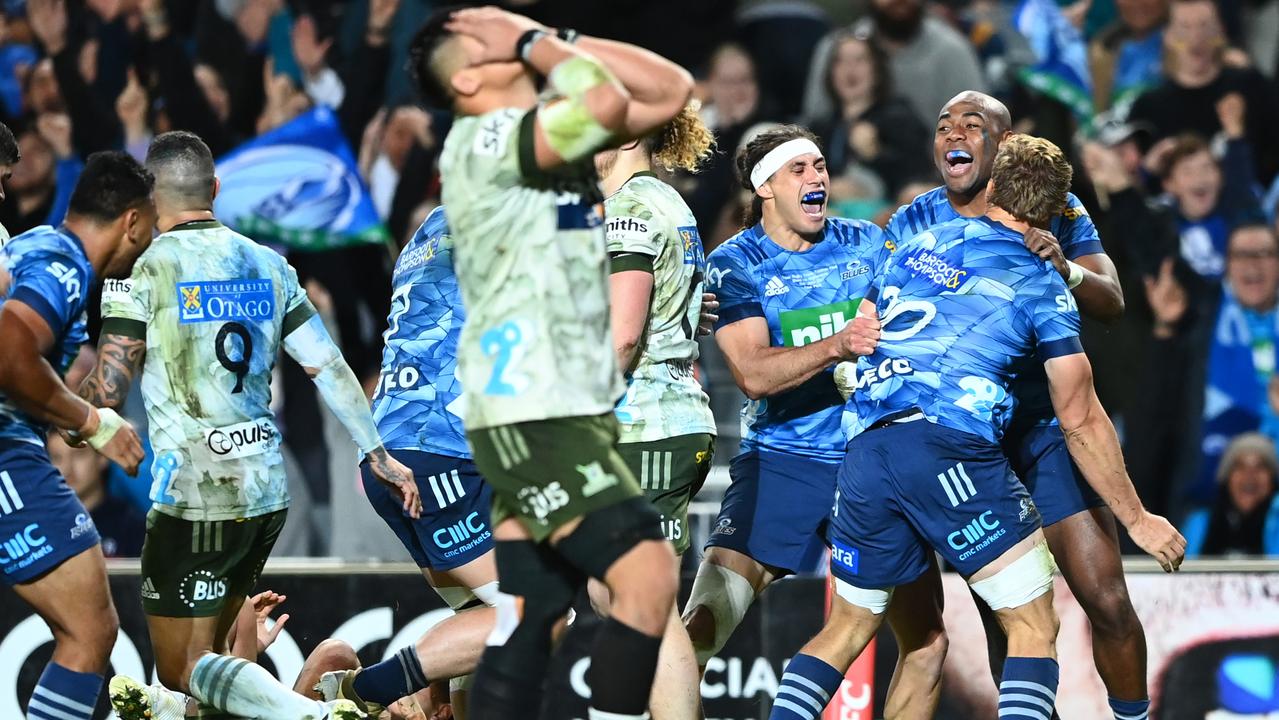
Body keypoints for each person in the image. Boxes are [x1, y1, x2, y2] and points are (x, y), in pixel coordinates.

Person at [769, 133, 1186, 720]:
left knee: (847, 629)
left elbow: (865, 320)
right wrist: (1138, 519)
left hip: (865, 449)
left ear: (991, 187)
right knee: (1035, 626)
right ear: (1055, 212)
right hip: (948, 448)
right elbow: (1082, 416)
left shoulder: (922, 240)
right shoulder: (1042, 284)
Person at [403, 7, 694, 720]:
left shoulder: (539, 142)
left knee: (533, 615)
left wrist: (543, 38)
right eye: (486, 42)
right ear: (467, 77)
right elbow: (607, 97)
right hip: (534, 411)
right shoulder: (493, 140)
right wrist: (533, 38)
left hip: (531, 407)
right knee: (646, 577)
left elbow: (668, 91)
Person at [83, 131, 420, 720]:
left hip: (195, 491)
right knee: (215, 660)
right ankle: (173, 713)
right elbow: (329, 366)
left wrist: (65, 409)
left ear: (146, 195)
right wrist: (376, 452)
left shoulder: (142, 271)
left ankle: (311, 716)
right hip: (265, 489)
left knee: (180, 667)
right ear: (215, 189)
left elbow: (106, 395)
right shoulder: (269, 264)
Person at [887, 90, 1161, 720]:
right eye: (944, 124)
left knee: (1108, 602)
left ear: (1004, 144)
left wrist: (1066, 269)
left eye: (973, 125)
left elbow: (1113, 298)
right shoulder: (913, 219)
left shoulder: (1057, 208)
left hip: (1045, 429)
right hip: (969, 443)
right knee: (1009, 620)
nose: (954, 134)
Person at [681, 124, 951, 718]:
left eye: (820, 166)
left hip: (872, 462)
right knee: (702, 629)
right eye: (798, 169)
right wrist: (838, 344)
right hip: (785, 458)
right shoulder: (736, 262)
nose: (817, 178)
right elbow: (751, 371)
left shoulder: (865, 242)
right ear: (765, 188)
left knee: (927, 643)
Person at [316, 206, 497, 718]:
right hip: (438, 453)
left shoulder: (432, 225)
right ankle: (364, 691)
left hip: (388, 449)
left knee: (480, 614)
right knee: (536, 612)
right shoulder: (502, 214)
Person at [0, 149, 154, 720]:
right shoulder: (61, 264)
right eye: (150, 230)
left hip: (16, 442)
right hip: (5, 448)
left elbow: (67, 399)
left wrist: (96, 406)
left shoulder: (46, 253)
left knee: (89, 631)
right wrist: (93, 424)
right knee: (91, 630)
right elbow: (9, 355)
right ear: (131, 221)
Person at [592, 101, 718, 719]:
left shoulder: (629, 211)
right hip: (675, 417)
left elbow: (622, 337)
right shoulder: (672, 204)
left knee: (638, 603)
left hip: (640, 421)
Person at [807, 29, 931, 199]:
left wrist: (876, 154)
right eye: (840, 61)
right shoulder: (821, 126)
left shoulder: (900, 118)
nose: (849, 69)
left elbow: (919, 175)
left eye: (860, 60)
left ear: (877, 71)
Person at [1182, 432, 1279, 556]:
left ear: (1272, 479)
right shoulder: (1199, 522)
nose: (1250, 475)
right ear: (1226, 478)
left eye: (1260, 467)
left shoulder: (1276, 522)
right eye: (1240, 466)